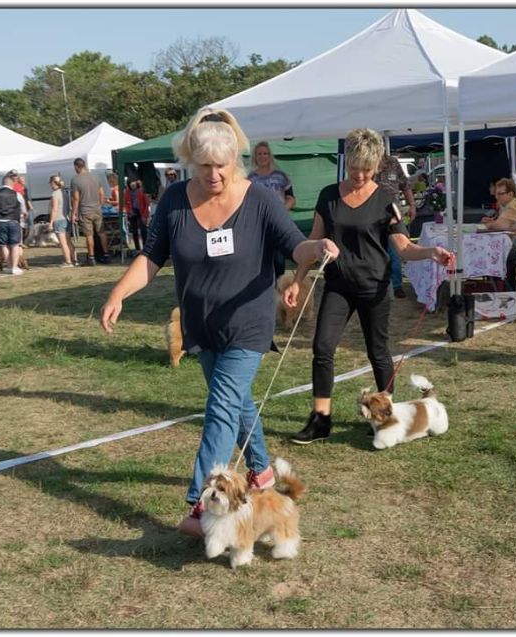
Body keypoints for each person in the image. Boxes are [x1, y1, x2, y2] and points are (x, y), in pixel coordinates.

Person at [99, 108, 338, 538]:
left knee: (221, 409)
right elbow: (152, 257)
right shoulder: (174, 200)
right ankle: (262, 473)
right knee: (236, 401)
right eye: (204, 166)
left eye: (221, 166)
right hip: (202, 325)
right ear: (191, 161)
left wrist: (317, 246)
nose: (213, 175)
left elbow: (295, 245)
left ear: (236, 161)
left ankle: (197, 506)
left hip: (249, 323)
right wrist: (118, 293)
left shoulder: (260, 199)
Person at [284, 128, 453, 445]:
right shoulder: (328, 195)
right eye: (353, 167)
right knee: (322, 348)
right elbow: (311, 244)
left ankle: (385, 416)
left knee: (378, 352)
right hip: (338, 285)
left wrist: (431, 252)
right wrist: (296, 281)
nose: (359, 174)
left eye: (366, 168)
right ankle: (321, 419)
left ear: (376, 166)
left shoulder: (386, 199)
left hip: (374, 287)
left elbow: (403, 247)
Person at [247, 141, 297, 277]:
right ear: (255, 157)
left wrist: (281, 210)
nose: (263, 156)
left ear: (270, 156)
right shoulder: (250, 179)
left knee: (279, 263)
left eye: (265, 153)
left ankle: (278, 293)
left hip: (278, 226)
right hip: (259, 227)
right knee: (261, 263)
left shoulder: (281, 176)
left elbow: (291, 198)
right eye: (259, 154)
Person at [374, 147, 417, 299]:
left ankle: (397, 286)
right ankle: (379, 285)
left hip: (394, 216)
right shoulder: (367, 164)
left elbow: (405, 186)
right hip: (372, 216)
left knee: (397, 251)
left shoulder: (393, 162)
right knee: (376, 252)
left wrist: (412, 205)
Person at [70, 158, 110, 265]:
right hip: (97, 209)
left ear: (76, 167)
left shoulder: (75, 180)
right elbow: (102, 194)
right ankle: (106, 255)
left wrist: (73, 213)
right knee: (102, 233)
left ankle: (91, 257)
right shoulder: (95, 177)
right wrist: (100, 205)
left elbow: (76, 198)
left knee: (89, 235)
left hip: (85, 210)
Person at [480, 178, 516, 255]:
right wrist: (493, 222)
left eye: (500, 194)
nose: (496, 197)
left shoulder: (513, 205)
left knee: (484, 249)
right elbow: (506, 224)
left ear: (510, 194)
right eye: (496, 194)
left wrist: (488, 225)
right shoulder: (515, 202)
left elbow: (501, 226)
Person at [0, 174, 28, 275]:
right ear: (12, 184)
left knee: (3, 245)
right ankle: (14, 267)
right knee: (15, 245)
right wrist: (23, 216)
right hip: (13, 221)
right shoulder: (17, 194)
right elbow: (24, 210)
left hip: (0, 222)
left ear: (2, 183)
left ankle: (9, 266)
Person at [48, 175, 77, 267]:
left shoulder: (55, 194)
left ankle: (68, 262)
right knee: (69, 241)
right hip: (66, 218)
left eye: (50, 183)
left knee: (63, 243)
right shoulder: (64, 192)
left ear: (53, 183)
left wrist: (51, 222)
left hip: (59, 219)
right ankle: (75, 260)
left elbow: (55, 209)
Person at [123, 178, 150, 253]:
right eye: (131, 183)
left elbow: (146, 203)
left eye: (134, 183)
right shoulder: (127, 192)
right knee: (134, 231)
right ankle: (137, 248)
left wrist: (145, 215)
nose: (132, 185)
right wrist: (129, 211)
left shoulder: (141, 191)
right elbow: (125, 202)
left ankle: (145, 247)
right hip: (133, 212)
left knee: (143, 230)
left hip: (141, 211)